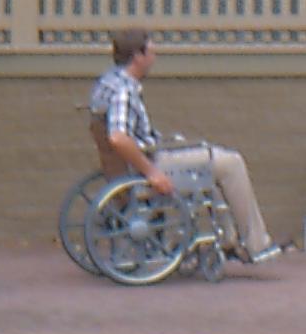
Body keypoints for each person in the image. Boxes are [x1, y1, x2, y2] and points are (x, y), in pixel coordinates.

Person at [87, 27, 287, 263]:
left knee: (212, 165)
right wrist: (152, 173)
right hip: (149, 163)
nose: (154, 58)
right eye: (151, 52)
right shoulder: (124, 90)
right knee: (230, 162)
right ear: (138, 56)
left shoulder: (108, 81)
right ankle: (257, 244)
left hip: (141, 158)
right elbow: (118, 137)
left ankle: (230, 240)